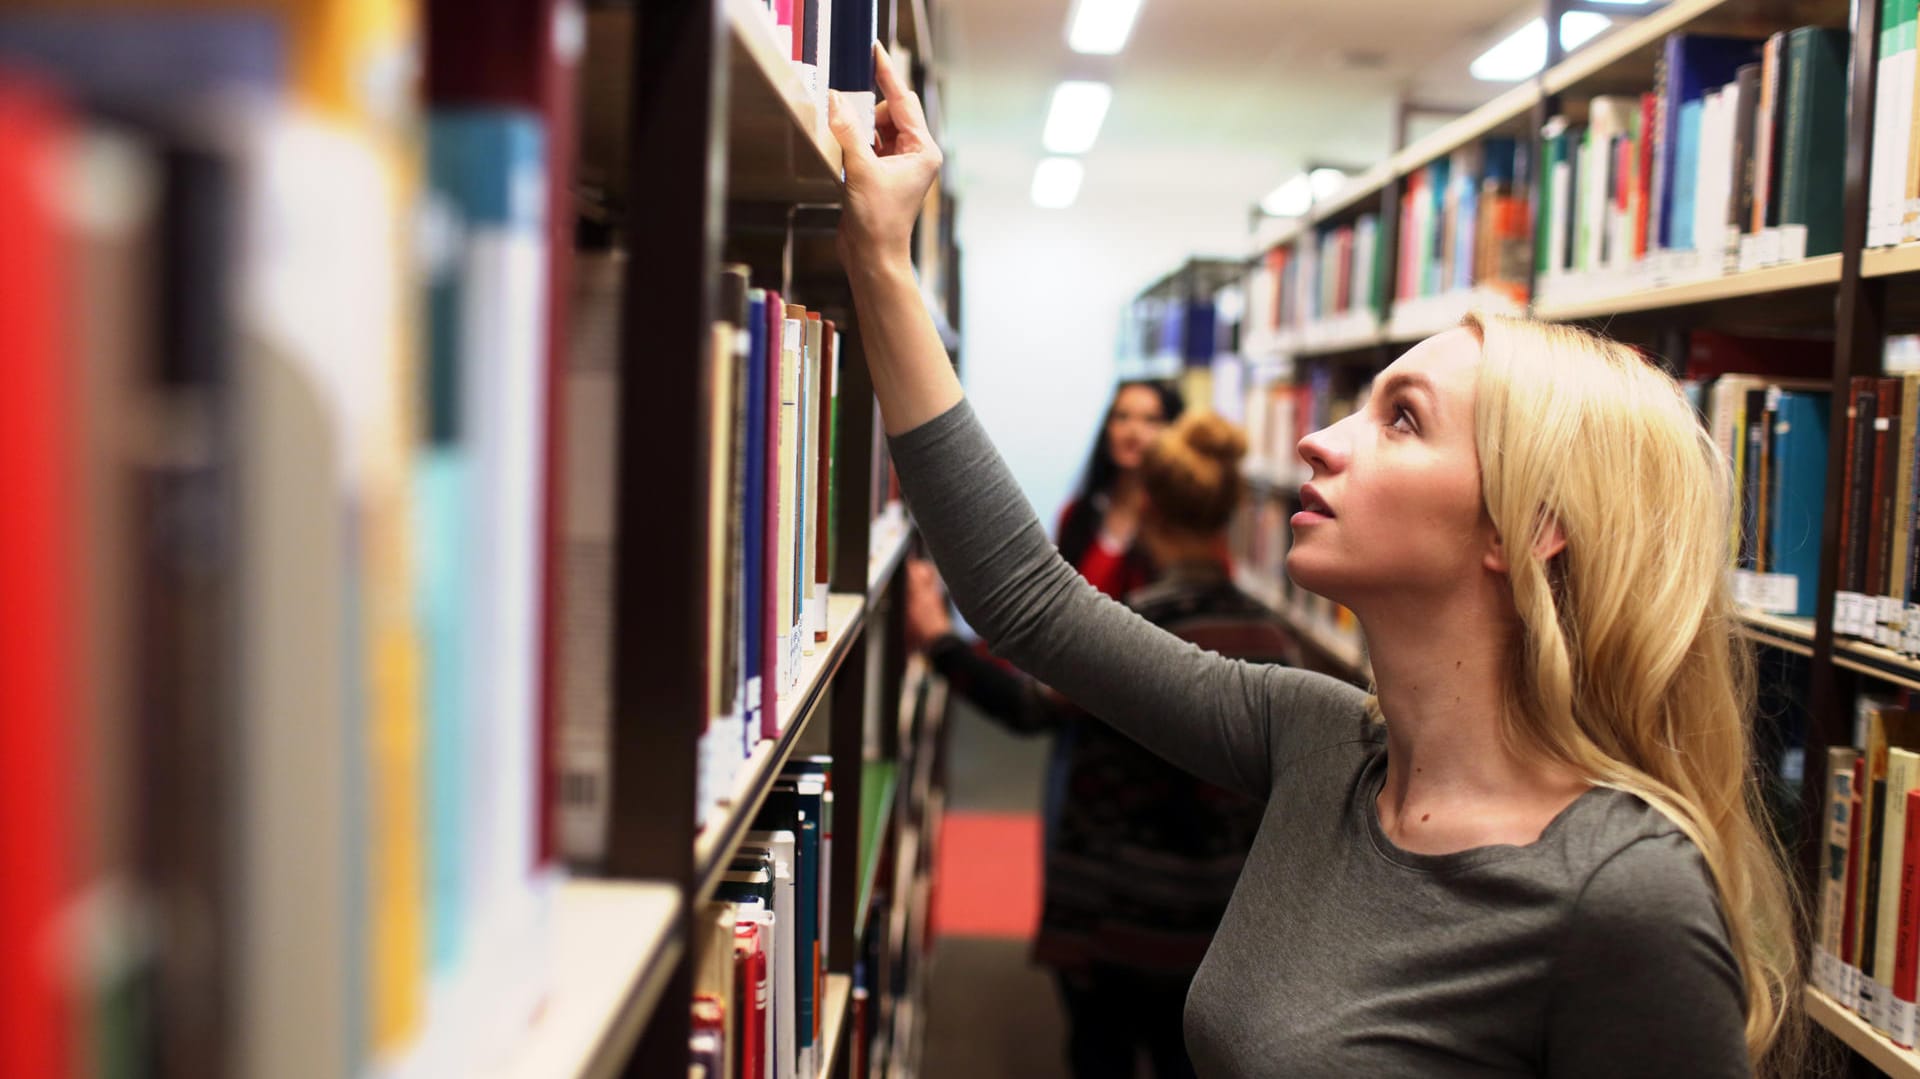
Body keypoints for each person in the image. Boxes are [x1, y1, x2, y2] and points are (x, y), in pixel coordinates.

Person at [826, 46, 1802, 1079]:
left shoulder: (1624, 893)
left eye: (1403, 421)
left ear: (1522, 528)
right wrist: (881, 258)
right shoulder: (1319, 742)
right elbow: (1029, 601)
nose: (1319, 440)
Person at [907, 412, 1298, 1079]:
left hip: (1114, 921)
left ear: (1146, 505)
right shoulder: (1272, 639)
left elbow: (1028, 707)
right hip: (1219, 926)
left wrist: (939, 641)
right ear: (1233, 512)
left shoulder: (1137, 634)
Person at [1056, 380, 1185, 601]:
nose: (1132, 431)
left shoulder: (1183, 524)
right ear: (1108, 427)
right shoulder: (1076, 515)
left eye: (1150, 420)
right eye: (1122, 417)